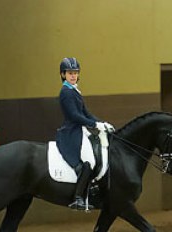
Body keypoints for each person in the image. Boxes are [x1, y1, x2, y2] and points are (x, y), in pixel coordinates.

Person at [56, 57, 114, 210]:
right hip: (71, 133)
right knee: (90, 161)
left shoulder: (75, 91)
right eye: (70, 73)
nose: (73, 75)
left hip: (80, 130)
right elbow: (75, 116)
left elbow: (86, 113)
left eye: (75, 72)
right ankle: (78, 197)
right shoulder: (66, 92)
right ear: (63, 75)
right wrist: (94, 124)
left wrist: (102, 123)